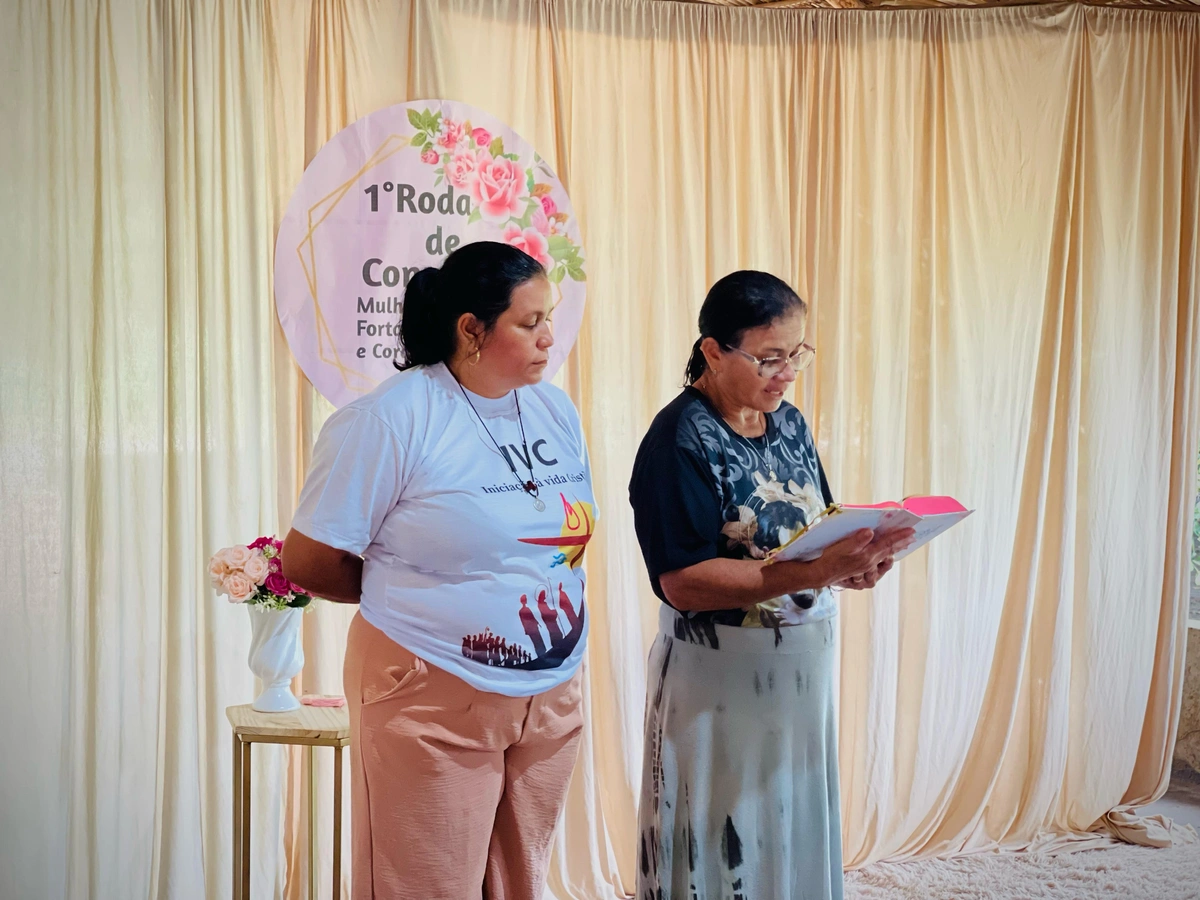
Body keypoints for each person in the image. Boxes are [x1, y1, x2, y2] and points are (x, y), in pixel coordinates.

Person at [281, 242, 596, 900]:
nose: (550, 337)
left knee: (518, 885)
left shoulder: (554, 410)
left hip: (546, 696)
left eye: (551, 317)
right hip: (428, 690)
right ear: (471, 329)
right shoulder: (390, 419)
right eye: (530, 321)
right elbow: (309, 561)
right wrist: (431, 597)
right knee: (424, 885)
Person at [628, 271, 914, 900]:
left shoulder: (789, 425)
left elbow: (820, 529)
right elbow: (682, 581)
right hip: (716, 684)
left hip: (802, 674)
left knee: (790, 835)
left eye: (797, 355)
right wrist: (815, 572)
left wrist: (858, 563)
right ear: (712, 351)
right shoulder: (678, 439)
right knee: (720, 843)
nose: (786, 373)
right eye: (770, 357)